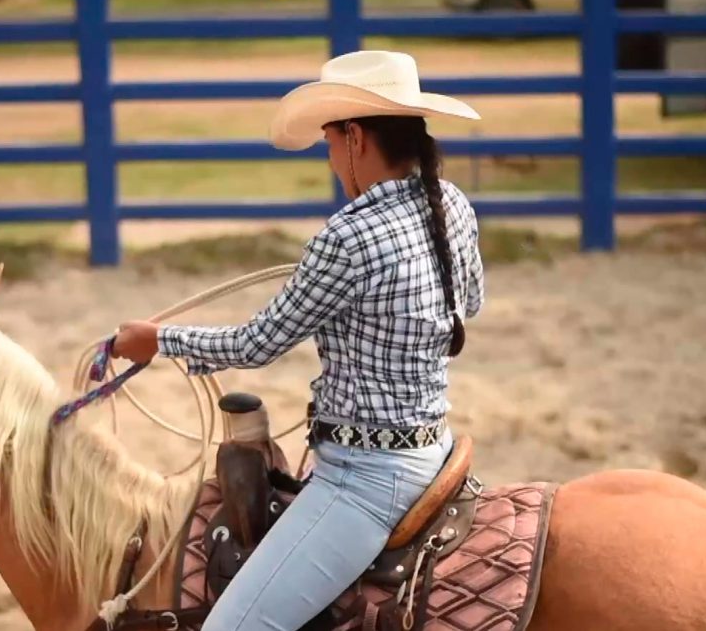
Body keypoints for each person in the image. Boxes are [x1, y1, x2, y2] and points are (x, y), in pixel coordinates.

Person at [112, 50, 485, 631]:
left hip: (368, 479)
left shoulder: (348, 236)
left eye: (331, 142)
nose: (332, 158)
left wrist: (158, 340)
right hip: (432, 448)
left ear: (356, 138)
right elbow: (471, 303)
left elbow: (256, 344)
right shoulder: (452, 205)